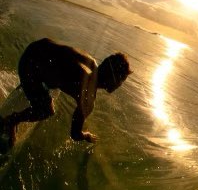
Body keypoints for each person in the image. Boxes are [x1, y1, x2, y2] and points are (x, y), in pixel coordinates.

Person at [1, 38, 132, 147]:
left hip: (35, 48)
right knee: (46, 110)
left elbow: (63, 58)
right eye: (122, 81)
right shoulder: (88, 97)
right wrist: (86, 135)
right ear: (113, 80)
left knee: (54, 81)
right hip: (29, 65)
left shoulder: (91, 61)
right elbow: (75, 134)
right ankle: (12, 121)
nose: (120, 85)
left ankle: (32, 86)